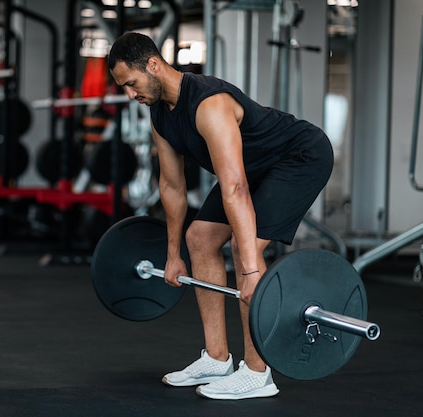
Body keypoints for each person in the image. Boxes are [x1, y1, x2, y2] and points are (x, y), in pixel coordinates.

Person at [108, 32, 334, 400]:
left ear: (152, 65)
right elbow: (172, 186)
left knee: (250, 251)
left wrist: (248, 268)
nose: (131, 94)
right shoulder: (159, 115)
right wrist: (172, 255)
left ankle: (258, 373)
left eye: (131, 83)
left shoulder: (209, 104)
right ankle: (216, 358)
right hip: (251, 169)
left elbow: (235, 188)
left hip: (298, 158)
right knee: (199, 239)